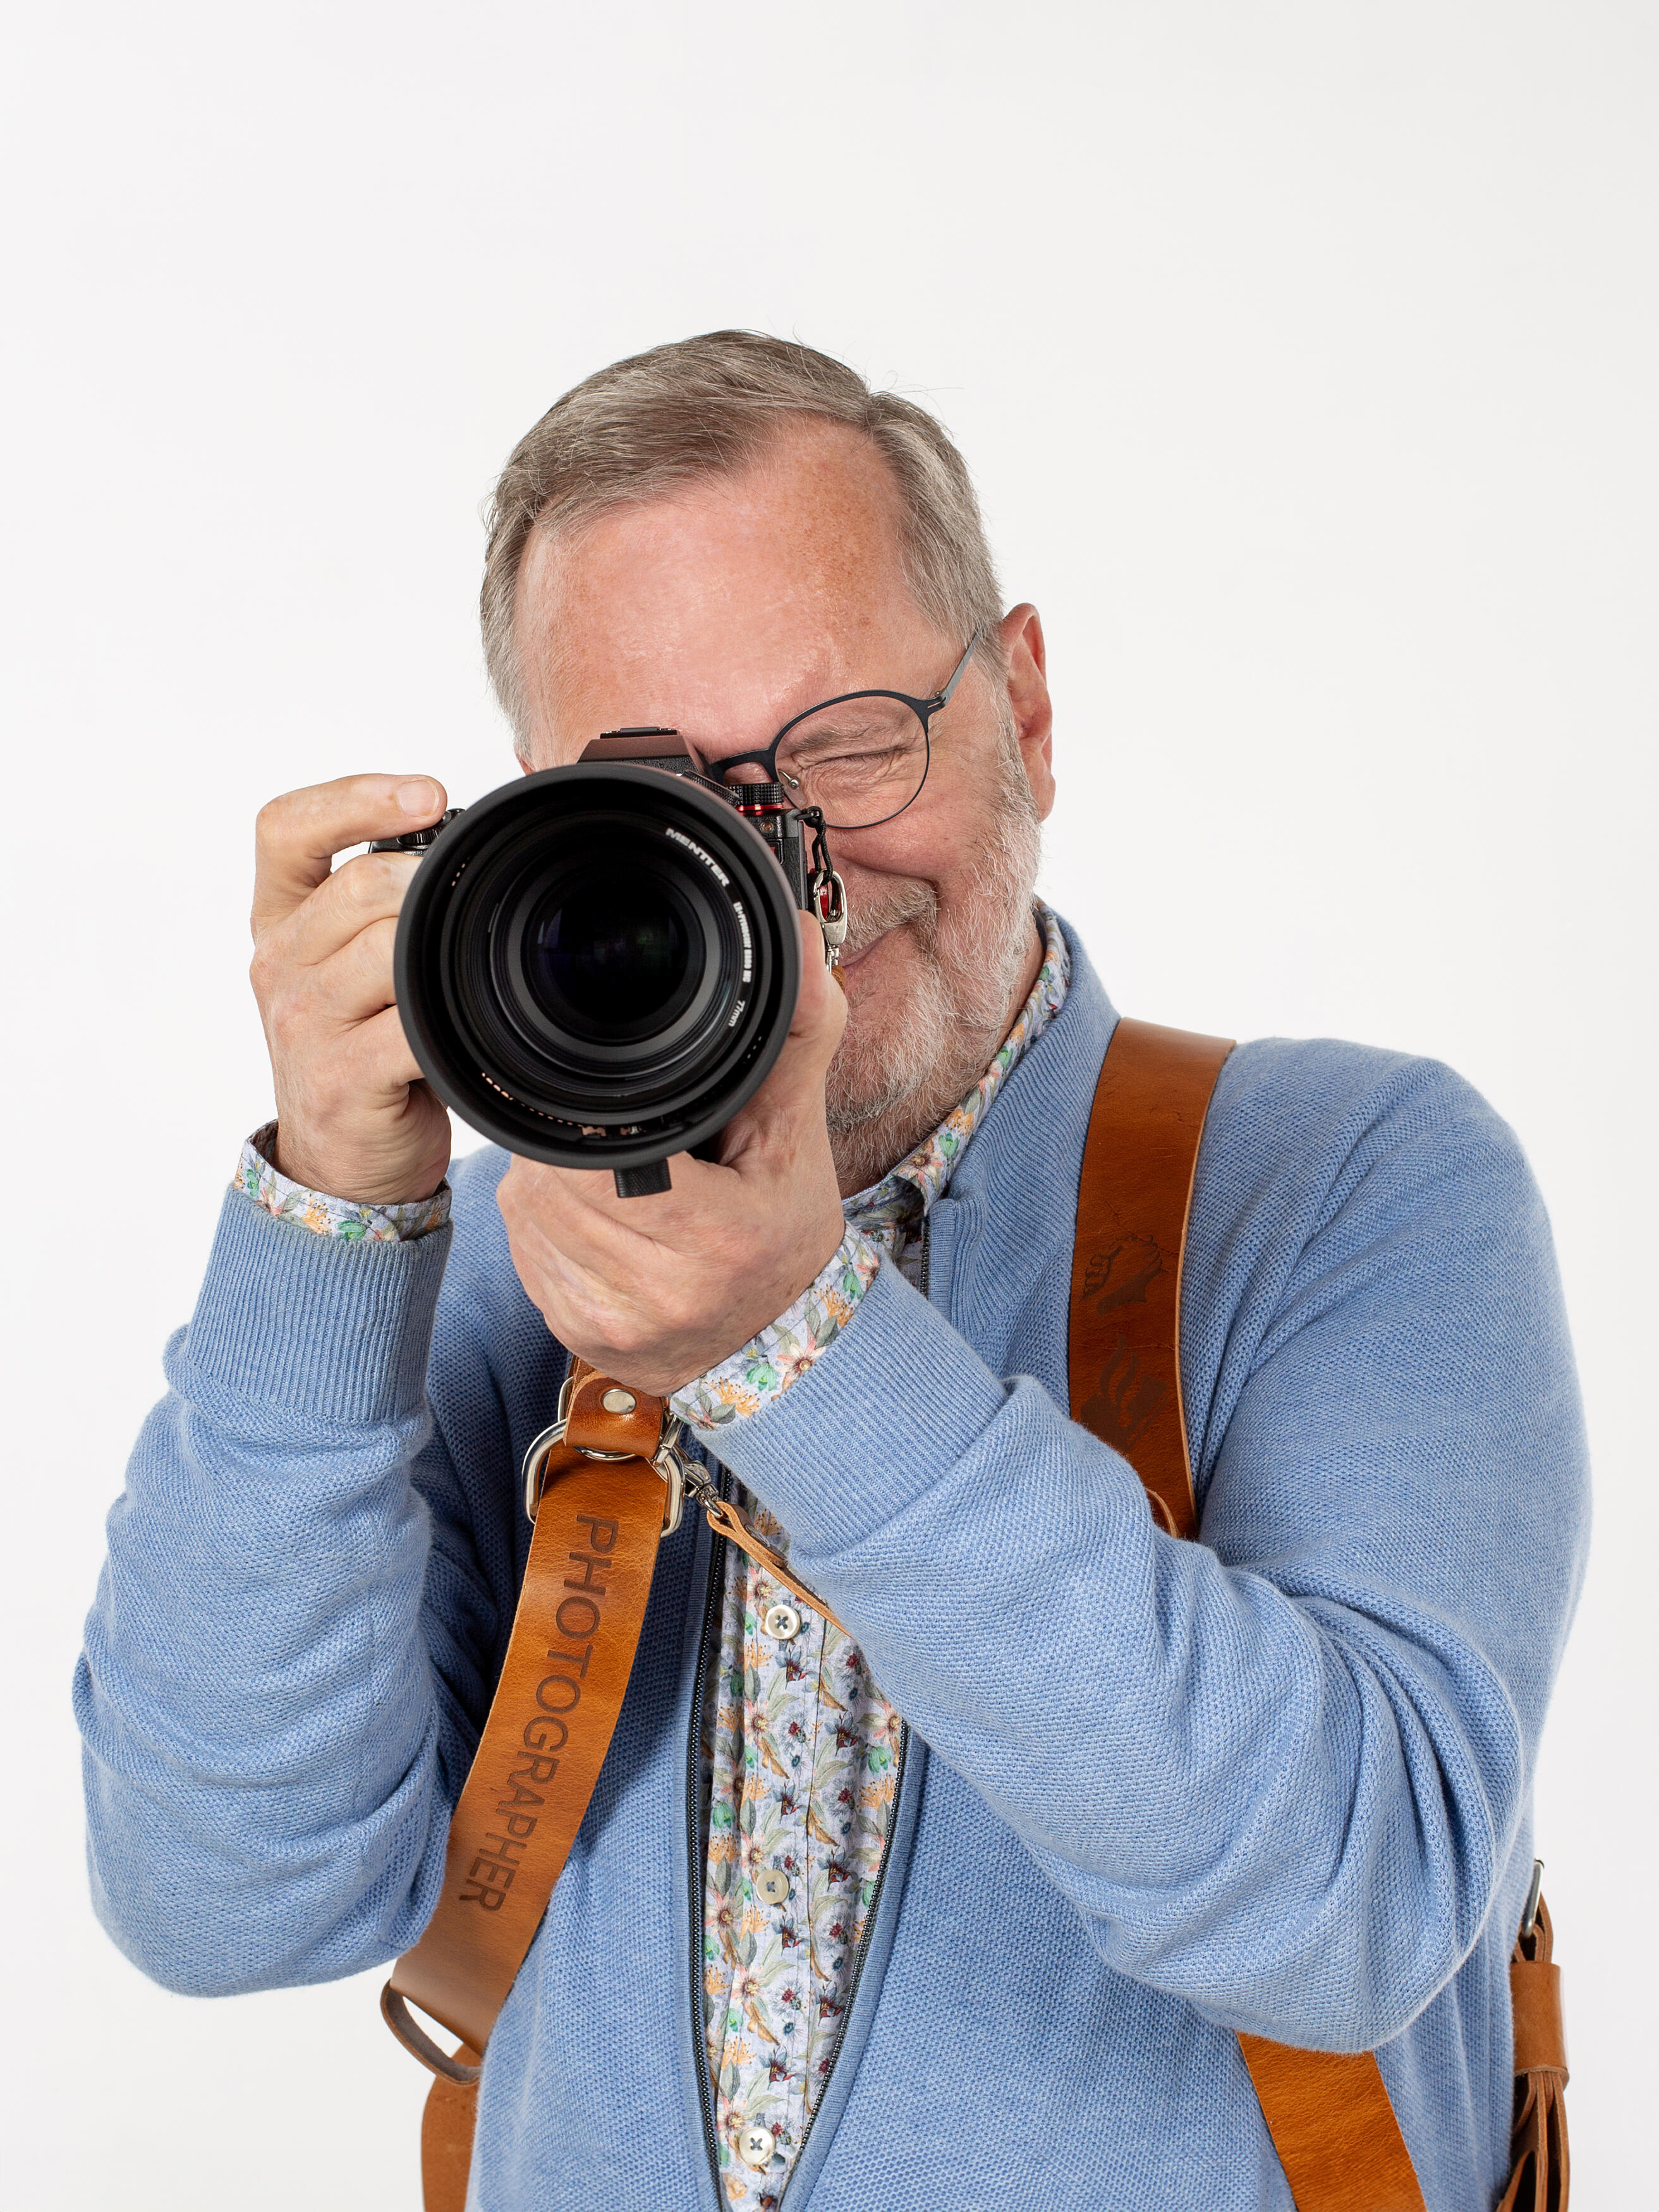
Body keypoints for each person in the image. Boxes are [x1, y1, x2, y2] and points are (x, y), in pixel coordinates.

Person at [76, 331, 1588, 2211]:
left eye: (849, 742)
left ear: (1023, 708)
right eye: (664, 786)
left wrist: (794, 1338)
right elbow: (227, 1896)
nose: (783, 861)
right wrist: (332, 1212)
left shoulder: (1352, 1182)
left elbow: (1356, 1903)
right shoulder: (530, 1275)